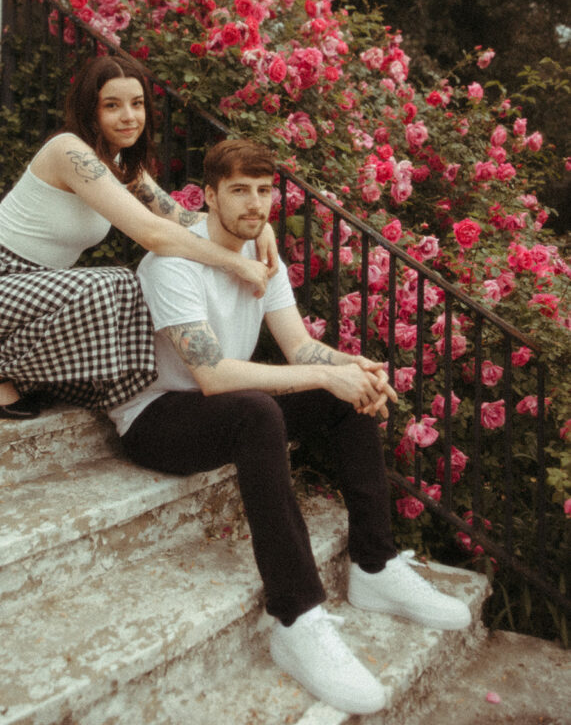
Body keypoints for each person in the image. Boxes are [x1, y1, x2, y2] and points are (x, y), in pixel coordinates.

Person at [111, 138, 472, 716]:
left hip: (223, 402)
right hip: (157, 416)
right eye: (239, 191)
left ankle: (374, 566)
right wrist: (321, 377)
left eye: (263, 190)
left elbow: (299, 346)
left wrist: (352, 371)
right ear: (208, 196)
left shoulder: (261, 255)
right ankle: (296, 617)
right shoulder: (172, 262)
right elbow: (211, 376)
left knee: (344, 396)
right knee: (259, 412)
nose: (255, 203)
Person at [0, 54, 276, 420]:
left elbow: (181, 217)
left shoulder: (124, 166)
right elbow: (153, 233)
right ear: (90, 111)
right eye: (112, 105)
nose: (129, 116)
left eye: (137, 104)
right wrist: (237, 262)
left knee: (127, 293)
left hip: (24, 299)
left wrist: (257, 223)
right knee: (116, 284)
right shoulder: (69, 151)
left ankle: (28, 374)